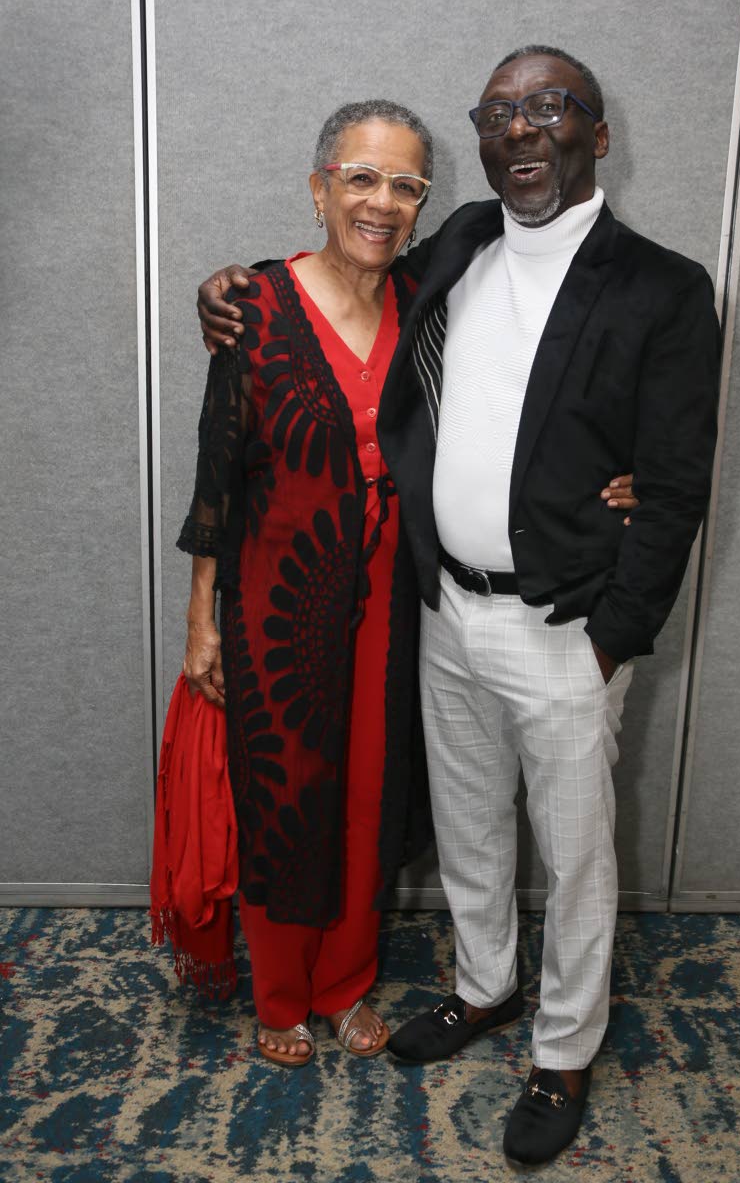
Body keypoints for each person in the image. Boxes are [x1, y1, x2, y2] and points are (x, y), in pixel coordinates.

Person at [195, 47, 708, 1164]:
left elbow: (673, 491)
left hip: (566, 627)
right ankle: (483, 986)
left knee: (574, 857)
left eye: (549, 108)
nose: (521, 129)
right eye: (498, 113)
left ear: (597, 135)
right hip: (440, 613)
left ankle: (563, 1049)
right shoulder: (461, 242)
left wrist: (612, 639)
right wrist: (229, 284)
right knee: (470, 827)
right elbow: (340, 270)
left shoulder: (663, 288)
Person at [180, 99, 436, 1066]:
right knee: (288, 791)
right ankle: (282, 992)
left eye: (405, 185)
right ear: (319, 188)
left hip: (392, 601)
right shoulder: (253, 307)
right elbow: (218, 473)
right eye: (360, 177)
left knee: (370, 788)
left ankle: (345, 982)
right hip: (277, 599)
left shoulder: (427, 300)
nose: (381, 202)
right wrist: (202, 616)